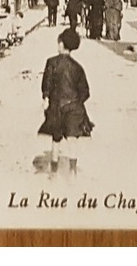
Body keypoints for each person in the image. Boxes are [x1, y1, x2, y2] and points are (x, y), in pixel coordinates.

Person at [39, 28, 93, 172]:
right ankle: (72, 172)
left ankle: (54, 170)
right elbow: (85, 92)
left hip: (56, 106)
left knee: (56, 139)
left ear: (61, 44)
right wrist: (76, 103)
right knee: (72, 140)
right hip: (74, 107)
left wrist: (46, 98)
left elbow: (47, 84)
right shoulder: (77, 67)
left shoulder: (51, 62)